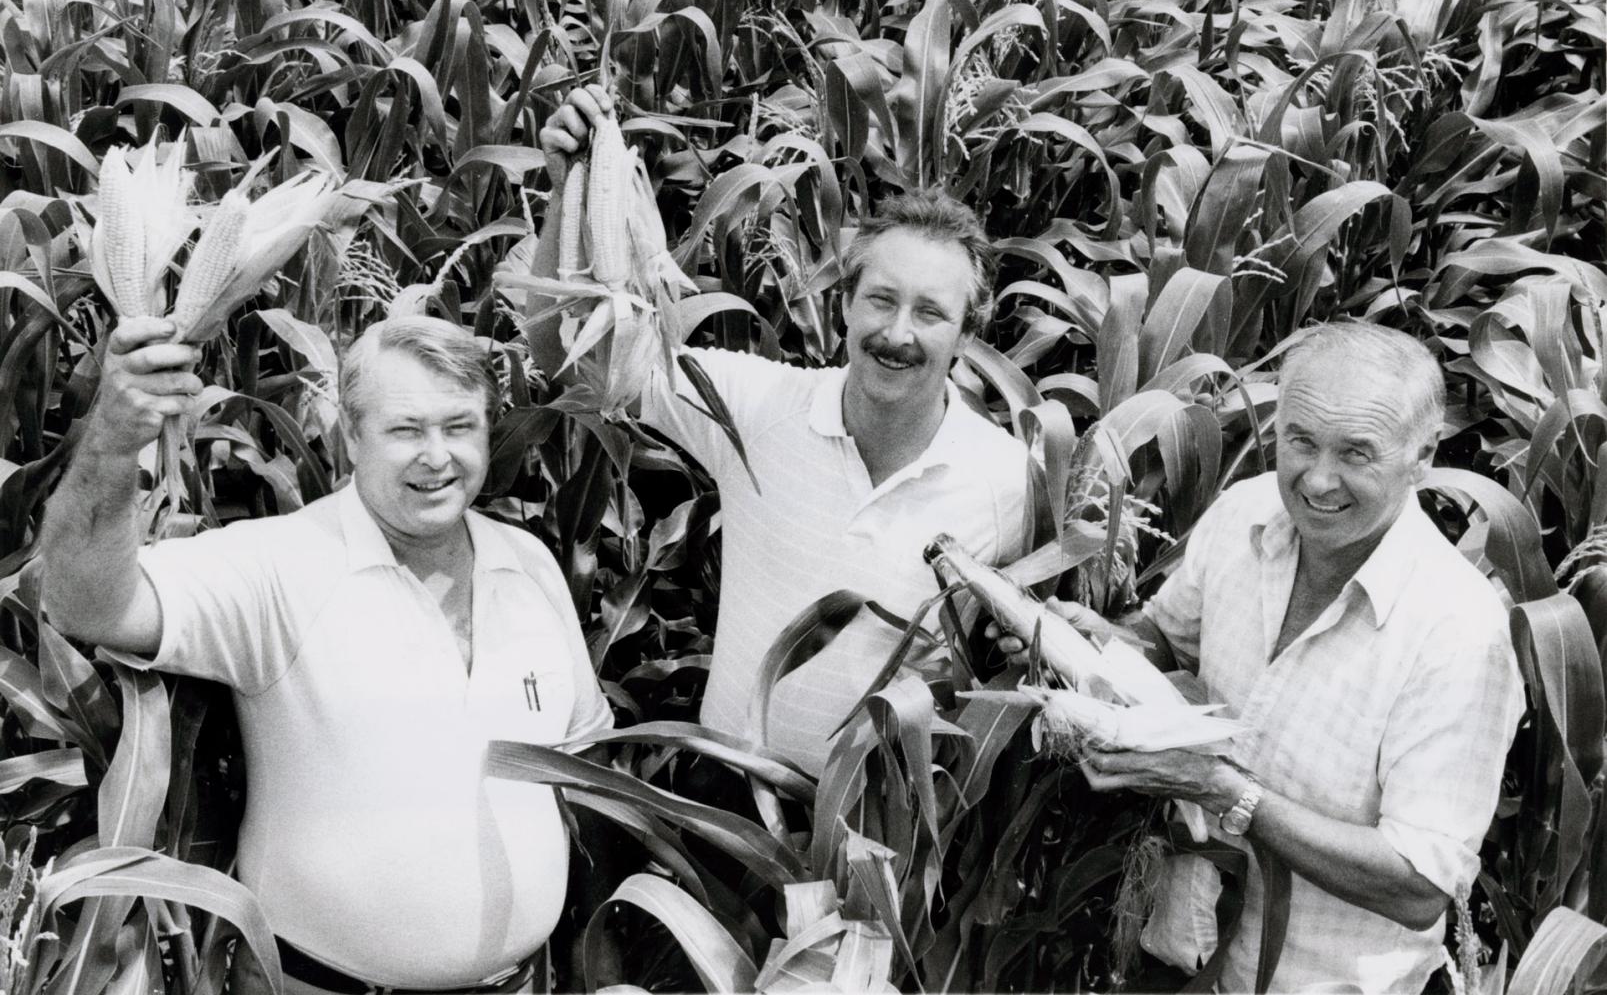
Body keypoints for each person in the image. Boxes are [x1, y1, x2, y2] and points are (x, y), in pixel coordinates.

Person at [39, 314, 612, 994]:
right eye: (405, 430)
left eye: (459, 426)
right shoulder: (280, 567)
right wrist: (112, 439)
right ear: (350, 436)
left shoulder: (531, 565)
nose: (437, 456)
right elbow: (84, 604)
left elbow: (585, 766)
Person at [992, 322, 1524, 992]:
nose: (1317, 480)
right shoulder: (1242, 516)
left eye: (1356, 453)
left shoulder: (1457, 633)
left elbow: (1418, 883)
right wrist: (1087, 638)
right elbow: (1164, 638)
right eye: (1299, 440)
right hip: (1183, 961)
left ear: (1421, 456)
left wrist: (1224, 791)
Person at [537, 85, 1032, 775]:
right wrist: (574, 191)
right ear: (844, 303)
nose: (896, 334)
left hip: (881, 836)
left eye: (929, 313)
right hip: (727, 809)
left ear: (965, 334)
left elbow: (1015, 660)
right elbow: (578, 365)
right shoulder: (758, 404)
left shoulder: (1008, 482)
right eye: (881, 300)